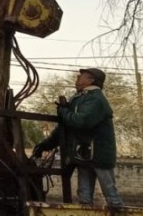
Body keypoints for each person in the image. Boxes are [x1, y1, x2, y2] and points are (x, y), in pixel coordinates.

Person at [32, 67, 123, 208]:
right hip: (84, 154)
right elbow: (65, 127)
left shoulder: (96, 99)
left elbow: (80, 121)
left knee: (110, 194)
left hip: (98, 154)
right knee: (84, 197)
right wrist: (46, 145)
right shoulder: (80, 98)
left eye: (81, 76)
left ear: (91, 80)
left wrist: (63, 112)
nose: (77, 79)